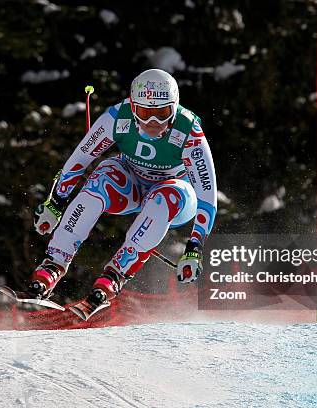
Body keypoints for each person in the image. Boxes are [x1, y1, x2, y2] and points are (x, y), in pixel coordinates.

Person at [29, 68, 217, 317]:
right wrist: (56, 202)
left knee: (163, 198)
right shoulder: (117, 118)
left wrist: (194, 247)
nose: (153, 123)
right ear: (132, 105)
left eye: (162, 114)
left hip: (176, 197)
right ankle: (53, 264)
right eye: (145, 113)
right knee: (101, 177)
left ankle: (114, 275)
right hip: (131, 186)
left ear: (175, 108)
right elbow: (81, 159)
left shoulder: (188, 130)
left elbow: (207, 194)